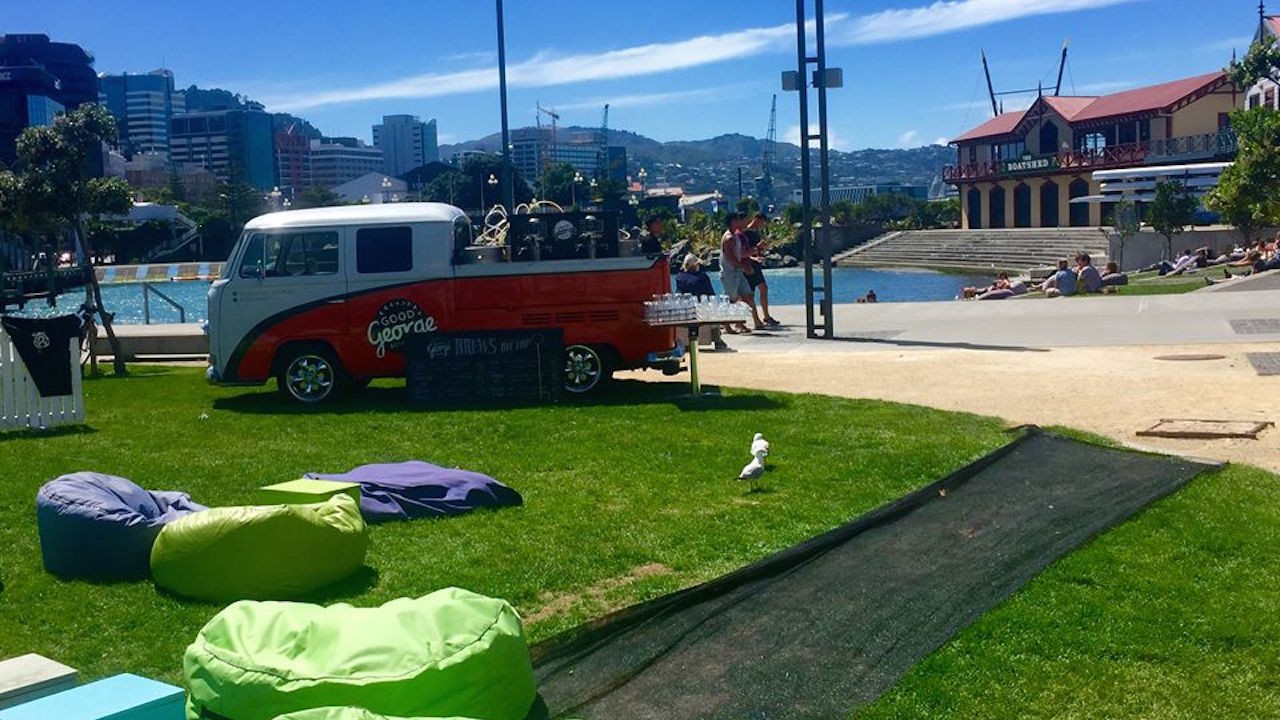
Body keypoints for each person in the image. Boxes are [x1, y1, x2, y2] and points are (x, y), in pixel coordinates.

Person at [674, 254, 729, 351]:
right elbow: (710, 294)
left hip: (684, 310)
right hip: (700, 310)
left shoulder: (679, 278)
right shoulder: (702, 278)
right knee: (713, 314)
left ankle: (684, 341)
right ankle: (717, 340)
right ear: (696, 265)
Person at [719, 212, 757, 333]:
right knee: (731, 300)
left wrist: (751, 255)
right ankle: (726, 325)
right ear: (732, 222)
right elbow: (730, 258)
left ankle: (739, 322)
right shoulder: (729, 238)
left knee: (748, 296)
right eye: (736, 220)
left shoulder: (735, 235)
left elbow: (739, 254)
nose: (739, 222)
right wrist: (744, 266)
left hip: (738, 271)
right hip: (729, 273)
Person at [743, 214, 781, 326]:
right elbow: (746, 250)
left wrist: (763, 247)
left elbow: (758, 251)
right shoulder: (746, 233)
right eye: (762, 223)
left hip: (756, 264)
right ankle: (755, 319)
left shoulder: (756, 233)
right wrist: (758, 248)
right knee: (750, 294)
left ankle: (766, 316)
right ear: (757, 220)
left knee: (763, 288)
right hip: (750, 265)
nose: (762, 226)